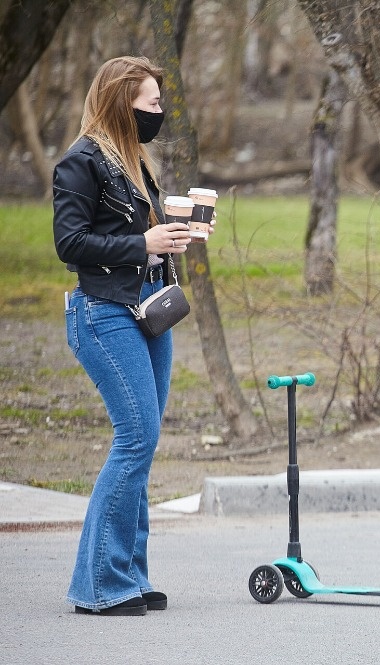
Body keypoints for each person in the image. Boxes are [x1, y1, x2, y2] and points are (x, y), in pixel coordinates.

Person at [53, 55, 209, 616]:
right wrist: (143, 245)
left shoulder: (134, 163)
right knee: (135, 440)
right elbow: (70, 244)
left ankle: (129, 575)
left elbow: (135, 235)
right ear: (123, 104)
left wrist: (170, 237)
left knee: (142, 445)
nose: (160, 112)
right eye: (152, 104)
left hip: (147, 311)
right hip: (103, 313)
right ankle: (99, 585)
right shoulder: (80, 164)